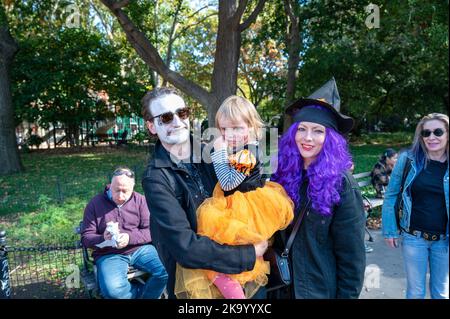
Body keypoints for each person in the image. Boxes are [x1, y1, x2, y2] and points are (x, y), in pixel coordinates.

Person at [140, 88, 269, 299]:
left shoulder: (214, 151)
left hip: (247, 274)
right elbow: (185, 246)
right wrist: (248, 253)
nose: (177, 121)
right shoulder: (156, 178)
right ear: (152, 126)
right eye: (165, 117)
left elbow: (244, 191)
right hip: (197, 285)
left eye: (181, 113)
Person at [174, 96, 294, 299]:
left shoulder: (249, 153)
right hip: (234, 206)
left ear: (252, 126)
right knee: (227, 261)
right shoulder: (240, 150)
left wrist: (219, 152)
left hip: (246, 210)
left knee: (225, 267)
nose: (230, 134)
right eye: (224, 129)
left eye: (237, 128)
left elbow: (229, 182)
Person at [271, 78, 366, 299]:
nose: (308, 138)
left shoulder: (342, 185)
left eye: (318, 131)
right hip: (280, 289)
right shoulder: (282, 176)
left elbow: (352, 258)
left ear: (330, 139)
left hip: (318, 292)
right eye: (301, 129)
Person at [382, 113, 449, 299]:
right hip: (414, 238)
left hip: (445, 239)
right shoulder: (408, 160)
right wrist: (390, 229)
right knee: (415, 292)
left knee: (441, 293)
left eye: (438, 132)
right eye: (426, 133)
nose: (431, 137)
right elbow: (392, 195)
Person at [81, 166, 168, 299]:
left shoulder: (140, 201)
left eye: (125, 191)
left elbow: (151, 231)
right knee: (113, 292)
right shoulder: (95, 204)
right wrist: (102, 238)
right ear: (110, 185)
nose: (120, 196)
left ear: (133, 188)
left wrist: (129, 237)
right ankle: (140, 294)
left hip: (140, 249)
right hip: (109, 254)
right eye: (116, 190)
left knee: (166, 271)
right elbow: (86, 238)